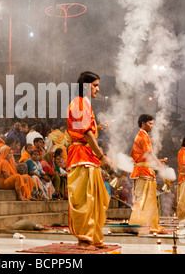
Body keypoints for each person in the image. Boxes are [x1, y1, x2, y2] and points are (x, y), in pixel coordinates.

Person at [66, 71, 112, 250]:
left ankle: (92, 237)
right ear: (85, 86)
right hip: (80, 156)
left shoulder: (85, 104)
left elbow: (88, 131)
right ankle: (84, 239)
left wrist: (98, 128)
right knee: (85, 200)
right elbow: (85, 133)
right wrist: (102, 156)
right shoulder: (78, 103)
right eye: (95, 85)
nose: (98, 89)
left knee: (96, 199)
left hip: (87, 156)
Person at [128, 114, 167, 232]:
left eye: (152, 124)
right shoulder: (142, 136)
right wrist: (159, 165)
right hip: (142, 172)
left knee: (147, 199)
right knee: (143, 200)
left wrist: (157, 162)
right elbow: (149, 153)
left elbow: (139, 155)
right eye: (150, 124)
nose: (152, 126)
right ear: (143, 123)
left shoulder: (141, 135)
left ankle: (146, 223)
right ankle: (140, 224)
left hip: (145, 171)